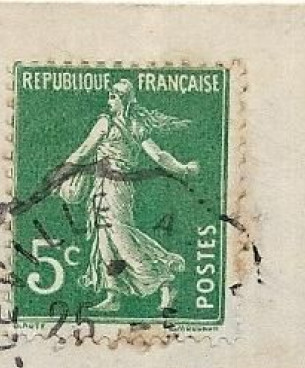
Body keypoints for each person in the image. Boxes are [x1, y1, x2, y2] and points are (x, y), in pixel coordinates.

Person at [58, 80, 199, 314]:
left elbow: (158, 155)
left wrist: (183, 169)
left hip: (116, 189)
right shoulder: (122, 124)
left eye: (112, 97)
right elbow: (159, 156)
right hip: (103, 186)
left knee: (121, 236)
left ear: (122, 99)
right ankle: (113, 295)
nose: (108, 101)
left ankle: (165, 279)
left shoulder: (117, 124)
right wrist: (182, 168)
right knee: (105, 238)